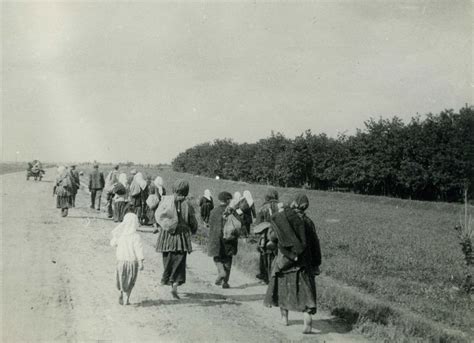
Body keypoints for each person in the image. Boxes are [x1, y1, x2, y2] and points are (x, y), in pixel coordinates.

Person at [263, 193, 321, 334]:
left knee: (283, 290)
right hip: (304, 263)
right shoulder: (308, 222)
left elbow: (273, 237)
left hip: (285, 260)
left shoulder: (284, 218)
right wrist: (316, 262)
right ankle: (307, 318)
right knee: (306, 292)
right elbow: (315, 244)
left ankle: (284, 318)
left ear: (293, 203)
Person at [155, 179, 198, 299]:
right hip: (181, 236)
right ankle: (175, 284)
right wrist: (193, 230)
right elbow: (192, 221)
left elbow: (159, 216)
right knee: (179, 259)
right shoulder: (187, 204)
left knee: (167, 257)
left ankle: (167, 279)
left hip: (167, 235)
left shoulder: (166, 201)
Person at [208, 191, 241, 289]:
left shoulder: (213, 211)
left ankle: (221, 271)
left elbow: (211, 225)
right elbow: (238, 224)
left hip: (216, 239)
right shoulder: (232, 211)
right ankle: (225, 282)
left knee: (217, 258)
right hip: (229, 239)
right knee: (228, 259)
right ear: (227, 200)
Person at [110, 213, 144, 305]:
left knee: (121, 278)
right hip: (132, 262)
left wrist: (115, 237)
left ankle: (121, 292)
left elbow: (112, 244)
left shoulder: (120, 235)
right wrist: (140, 262)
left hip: (121, 261)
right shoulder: (136, 237)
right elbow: (138, 250)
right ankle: (127, 298)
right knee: (130, 281)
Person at [255, 188, 280, 284]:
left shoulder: (263, 207)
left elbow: (258, 223)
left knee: (265, 255)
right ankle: (274, 277)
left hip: (266, 235)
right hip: (278, 234)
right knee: (276, 255)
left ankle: (265, 277)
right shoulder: (280, 206)